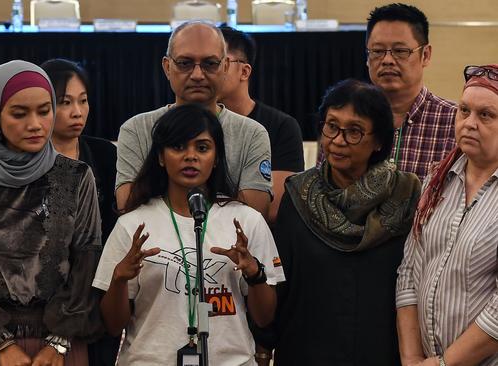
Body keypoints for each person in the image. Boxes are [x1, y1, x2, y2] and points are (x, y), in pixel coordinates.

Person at [0, 60, 103, 366]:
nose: (36, 124)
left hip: (60, 344)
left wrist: (59, 343)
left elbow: (87, 264)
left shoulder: (77, 176)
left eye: (44, 110)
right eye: (19, 113)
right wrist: (0, 343)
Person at [94, 104, 285, 365]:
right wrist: (118, 279)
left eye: (203, 148)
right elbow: (114, 326)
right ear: (161, 157)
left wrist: (255, 273)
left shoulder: (245, 221)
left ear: (217, 157)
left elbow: (265, 319)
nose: (191, 156)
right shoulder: (133, 224)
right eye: (178, 147)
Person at [253, 79, 421, 365]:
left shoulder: (406, 196)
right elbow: (281, 281)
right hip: (306, 351)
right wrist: (264, 342)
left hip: (383, 351)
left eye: (354, 131)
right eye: (331, 126)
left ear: (379, 140)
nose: (338, 140)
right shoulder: (298, 195)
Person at [115, 21, 273, 220]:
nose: (198, 75)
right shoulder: (137, 129)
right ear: (167, 67)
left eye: (210, 64)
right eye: (185, 63)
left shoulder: (252, 134)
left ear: (225, 67)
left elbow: (253, 217)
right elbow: (128, 209)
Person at [396, 65, 498, 366]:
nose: (469, 123)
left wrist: (445, 363)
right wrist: (413, 358)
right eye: (464, 111)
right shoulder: (437, 180)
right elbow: (408, 275)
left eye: (486, 115)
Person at [41, 58, 120, 366]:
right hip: (44, 294)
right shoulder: (26, 159)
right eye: (65, 102)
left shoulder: (105, 154)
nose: (77, 112)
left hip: (98, 288)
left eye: (83, 101)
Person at [218, 25, 304, 222]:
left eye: (219, 62)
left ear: (244, 71)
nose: (208, 71)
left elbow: (272, 208)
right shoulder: (195, 124)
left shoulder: (281, 126)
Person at [365, 3, 457, 180]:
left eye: (400, 51)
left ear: (426, 55)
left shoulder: (456, 122)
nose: (387, 60)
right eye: (377, 51)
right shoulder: (347, 119)